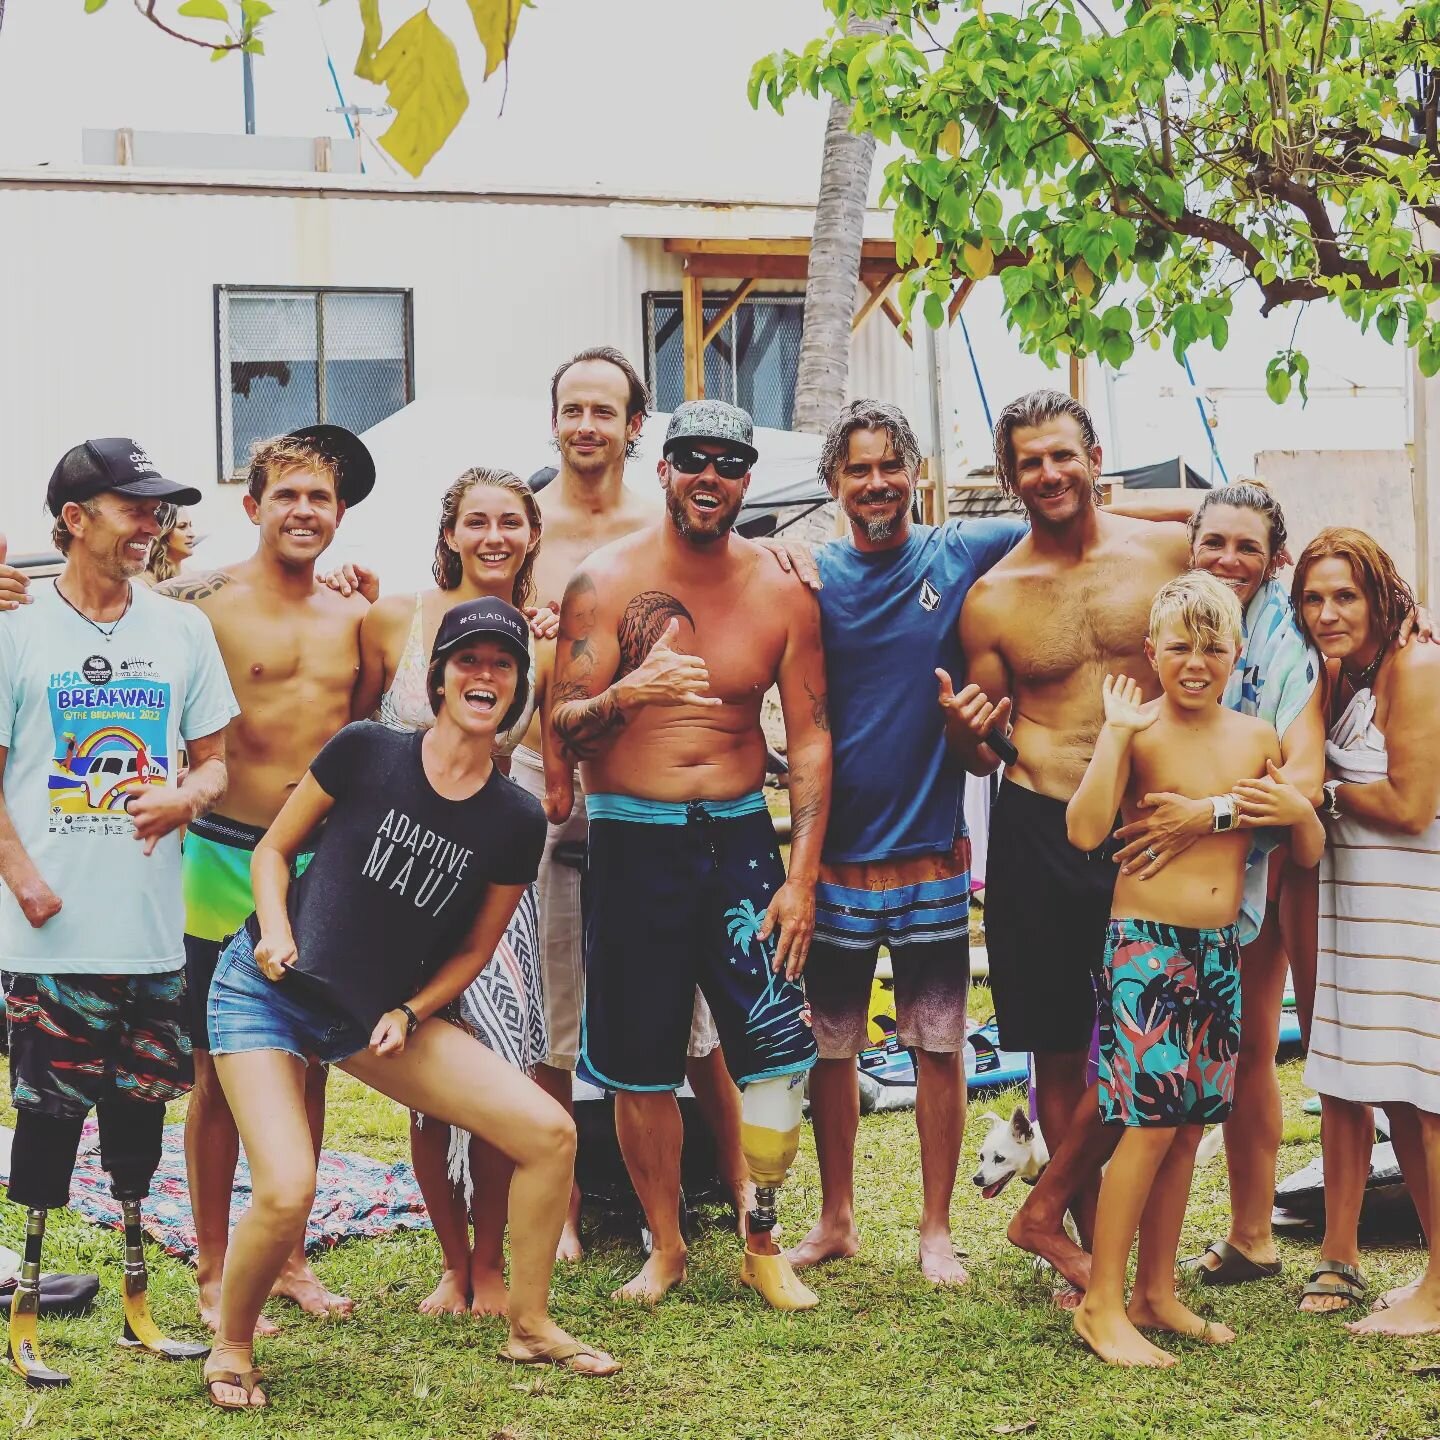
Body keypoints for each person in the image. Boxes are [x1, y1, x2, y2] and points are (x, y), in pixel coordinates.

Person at [202, 597, 619, 1408]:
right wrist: (276, 932)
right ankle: (232, 1343)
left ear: (516, 694)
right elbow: (274, 851)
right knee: (287, 1188)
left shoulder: (515, 818)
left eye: (503, 665)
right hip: (266, 989)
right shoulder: (366, 751)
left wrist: (416, 1009)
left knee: (548, 1131)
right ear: (438, 679)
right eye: (469, 660)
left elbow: (474, 948)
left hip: (374, 1018)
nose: (485, 675)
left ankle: (529, 1323)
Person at [549, 398, 830, 1309]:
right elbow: (564, 723)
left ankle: (762, 1236)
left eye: (729, 463)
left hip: (744, 837)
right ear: (662, 466)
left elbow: (814, 738)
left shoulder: (782, 587)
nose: (710, 476)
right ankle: (664, 1243)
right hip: (634, 841)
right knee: (638, 1060)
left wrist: (803, 876)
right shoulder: (602, 580)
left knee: (778, 1049)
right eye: (693, 459)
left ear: (749, 479)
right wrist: (628, 694)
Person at [0, 438, 238, 1387]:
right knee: (47, 1115)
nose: (153, 524)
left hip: (151, 933)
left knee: (141, 1114)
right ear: (74, 518)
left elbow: (216, 759)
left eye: (160, 511)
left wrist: (189, 797)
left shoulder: (181, 631)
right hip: (49, 926)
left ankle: (141, 1298)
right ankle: (25, 1305)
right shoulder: (16, 628)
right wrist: (24, 881)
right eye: (133, 507)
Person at [511, 347, 751, 1258]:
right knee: (550, 998)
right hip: (543, 784)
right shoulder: (524, 529)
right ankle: (561, 1205)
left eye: (603, 412)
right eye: (572, 409)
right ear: (555, 418)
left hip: (647, 793)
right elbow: (459, 604)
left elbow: (730, 585)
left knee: (693, 1012)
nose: (585, 426)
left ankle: (734, 1182)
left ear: (634, 429)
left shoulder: (668, 516)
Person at [781, 400, 1027, 1286]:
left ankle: (934, 1230)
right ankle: (837, 1218)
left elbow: (1083, 518)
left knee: (938, 1044)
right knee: (832, 1047)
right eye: (858, 469)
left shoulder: (959, 551)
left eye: (891, 466)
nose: (877, 482)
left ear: (916, 472)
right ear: (833, 483)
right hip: (836, 859)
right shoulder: (806, 574)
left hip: (932, 851)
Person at [954, 389, 1193, 1298]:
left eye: (1063, 455)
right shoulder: (994, 597)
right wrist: (963, 728)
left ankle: (1050, 1210)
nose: (1048, 474)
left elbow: (1257, 556)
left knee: (1150, 1038)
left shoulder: (1167, 553)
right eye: (1029, 462)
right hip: (1038, 821)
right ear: (1009, 476)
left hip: (1149, 827)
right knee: (1057, 1045)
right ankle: (1091, 1254)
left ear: (1094, 455)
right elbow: (977, 744)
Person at [1065, 571, 1324, 1366]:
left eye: (1213, 646)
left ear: (1237, 652)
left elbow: (1303, 853)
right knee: (1145, 1128)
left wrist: (1302, 812)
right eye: (1179, 646)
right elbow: (1083, 831)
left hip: (1218, 952)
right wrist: (1111, 736)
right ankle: (1101, 1303)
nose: (1196, 660)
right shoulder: (1138, 732)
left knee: (1184, 1132)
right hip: (1146, 946)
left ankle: (1154, 1292)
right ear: (1152, 652)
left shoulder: (1255, 739)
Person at [157, 425, 376, 1334]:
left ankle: (288, 1256)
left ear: (339, 514)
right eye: (285, 495)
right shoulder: (193, 602)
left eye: (319, 498)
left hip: (317, 865)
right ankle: (214, 1269)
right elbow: (101, 621)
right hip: (217, 856)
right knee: (216, 1075)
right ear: (251, 507)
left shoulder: (357, 618)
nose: (303, 511)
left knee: (309, 1063)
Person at [353, 467, 548, 1317]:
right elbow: (354, 745)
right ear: (450, 534)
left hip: (502, 876)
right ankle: (451, 1263)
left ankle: (496, 1266)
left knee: (503, 1067)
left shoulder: (544, 636)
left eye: (511, 521)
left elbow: (549, 755)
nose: (494, 536)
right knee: (429, 1070)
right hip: (405, 881)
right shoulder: (394, 619)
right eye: (477, 521)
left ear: (531, 535)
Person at [1290, 528, 1440, 1330]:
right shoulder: (1343, 674)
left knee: (1427, 1098)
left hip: (1417, 909)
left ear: (1382, 594)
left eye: (1344, 594)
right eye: (1313, 597)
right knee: (1401, 1089)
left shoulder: (1416, 666)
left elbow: (1413, 806)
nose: (1326, 611)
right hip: (1367, 910)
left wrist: (1326, 793)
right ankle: (1431, 1278)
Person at [141, 505, 195, 587]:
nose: (192, 534)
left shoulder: (191, 576)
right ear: (163, 533)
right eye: (182, 526)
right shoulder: (142, 582)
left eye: (190, 526)